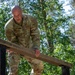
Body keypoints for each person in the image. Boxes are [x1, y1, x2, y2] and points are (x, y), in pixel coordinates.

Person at [4, 5, 44, 75]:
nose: (17, 17)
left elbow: (35, 35)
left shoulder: (31, 20)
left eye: (18, 15)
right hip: (15, 47)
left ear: (22, 12)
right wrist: (13, 48)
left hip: (29, 46)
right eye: (15, 15)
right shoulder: (8, 26)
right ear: (12, 15)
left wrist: (36, 47)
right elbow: (12, 41)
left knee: (39, 66)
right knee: (13, 71)